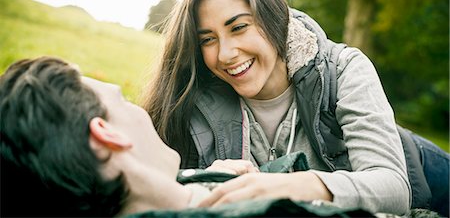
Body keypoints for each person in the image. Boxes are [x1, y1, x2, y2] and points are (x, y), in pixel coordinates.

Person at [142, 0, 449, 216]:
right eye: (208, 39)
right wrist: (211, 179)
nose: (225, 54)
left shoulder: (343, 69)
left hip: (426, 173)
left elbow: (393, 188)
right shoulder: (194, 102)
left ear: (275, 19)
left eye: (239, 27)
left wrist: (283, 186)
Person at [1, 57, 376, 218]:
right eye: (124, 101)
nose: (141, 113)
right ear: (106, 134)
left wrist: (202, 178)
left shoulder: (142, 197)